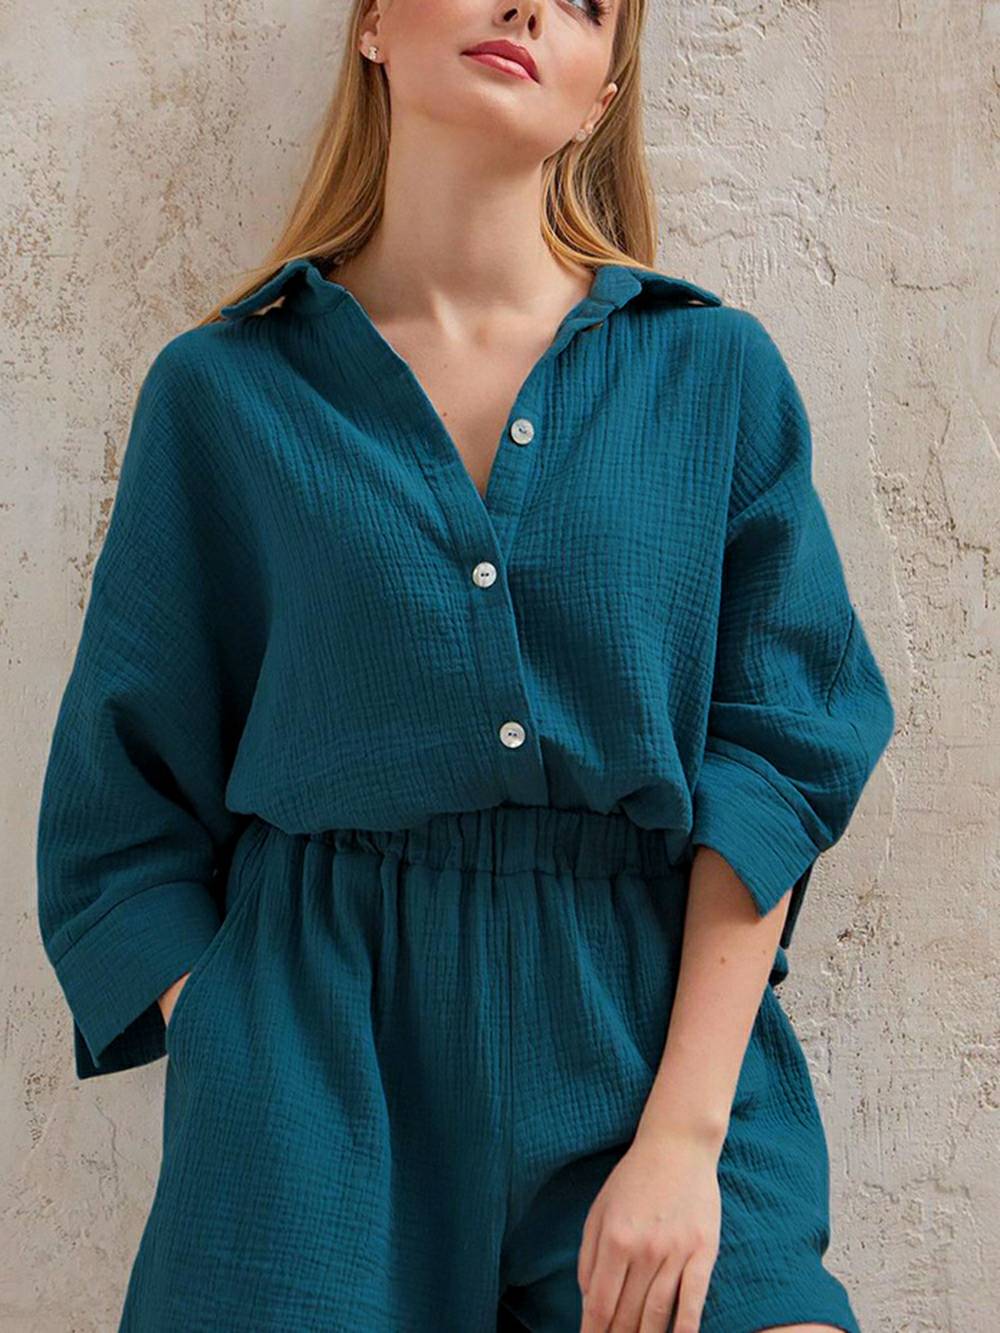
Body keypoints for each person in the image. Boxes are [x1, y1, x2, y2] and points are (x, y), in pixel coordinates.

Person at [35, 2, 896, 1330]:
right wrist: (236, 1033)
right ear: (377, 21)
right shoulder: (223, 391)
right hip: (315, 1069)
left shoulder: (712, 375)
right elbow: (121, 797)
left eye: (588, 4)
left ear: (601, 95)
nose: (529, 7)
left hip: (645, 1046)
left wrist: (682, 1138)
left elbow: (781, 755)